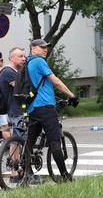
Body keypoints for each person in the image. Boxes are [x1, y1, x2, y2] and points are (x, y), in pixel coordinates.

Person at [25, 39, 79, 182]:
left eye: (46, 47)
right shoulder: (39, 62)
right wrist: (72, 95)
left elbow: (41, 86)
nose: (45, 49)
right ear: (33, 48)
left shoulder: (28, 63)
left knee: (30, 141)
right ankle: (65, 176)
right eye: (41, 47)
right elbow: (56, 81)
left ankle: (26, 171)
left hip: (33, 107)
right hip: (46, 107)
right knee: (55, 141)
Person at [0, 47, 27, 183]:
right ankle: (15, 172)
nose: (23, 58)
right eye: (20, 56)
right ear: (11, 58)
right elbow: (22, 88)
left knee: (17, 142)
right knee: (17, 142)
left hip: (18, 110)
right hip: (15, 111)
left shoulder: (16, 71)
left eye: (24, 56)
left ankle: (16, 171)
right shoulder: (8, 72)